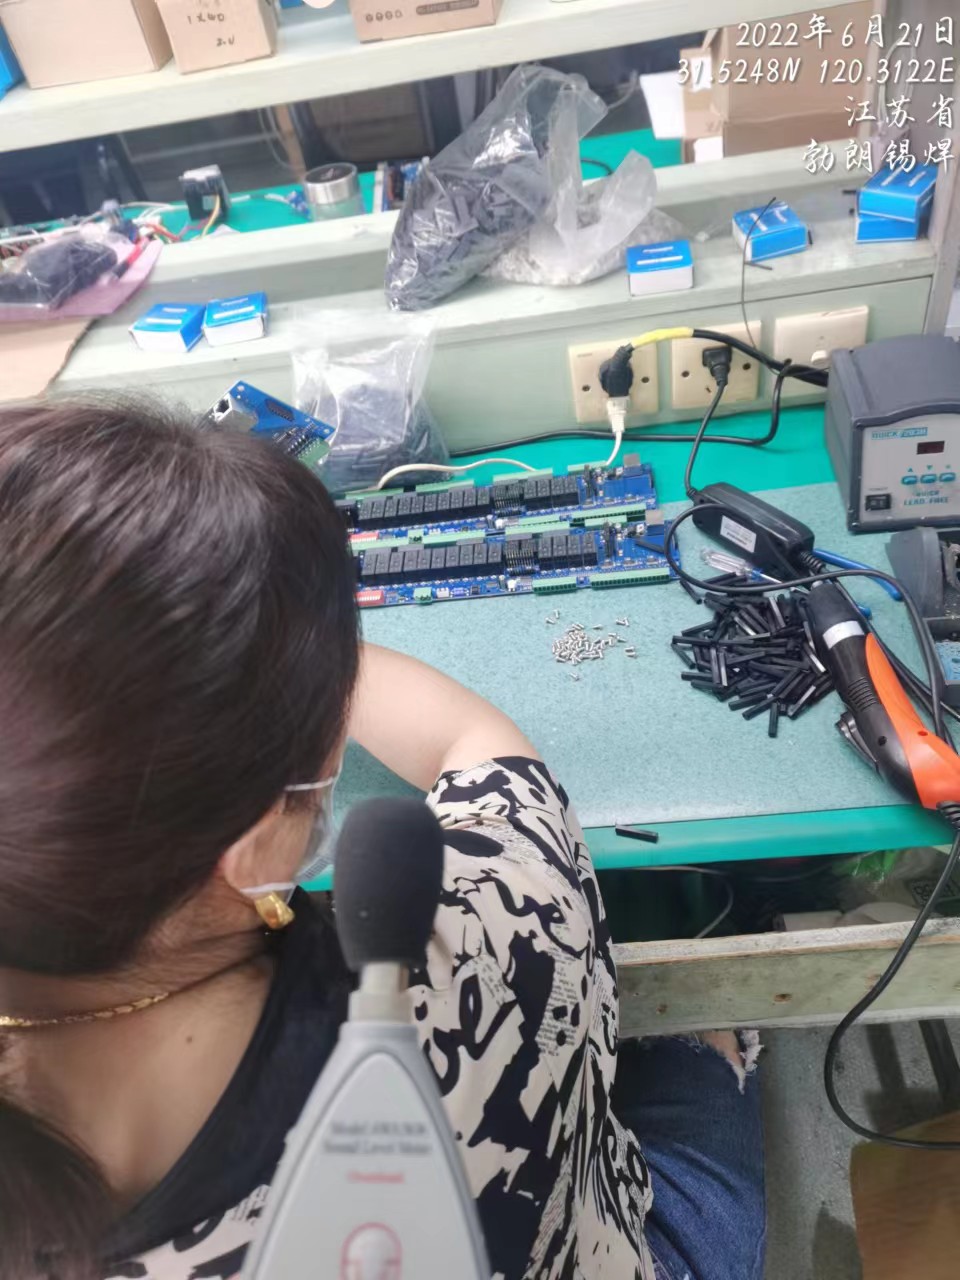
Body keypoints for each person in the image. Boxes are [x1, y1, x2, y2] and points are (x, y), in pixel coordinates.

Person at [0, 400, 764, 1280]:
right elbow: (480, 750)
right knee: (693, 1066)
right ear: (254, 850)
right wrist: (286, 648)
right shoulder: (468, 955)